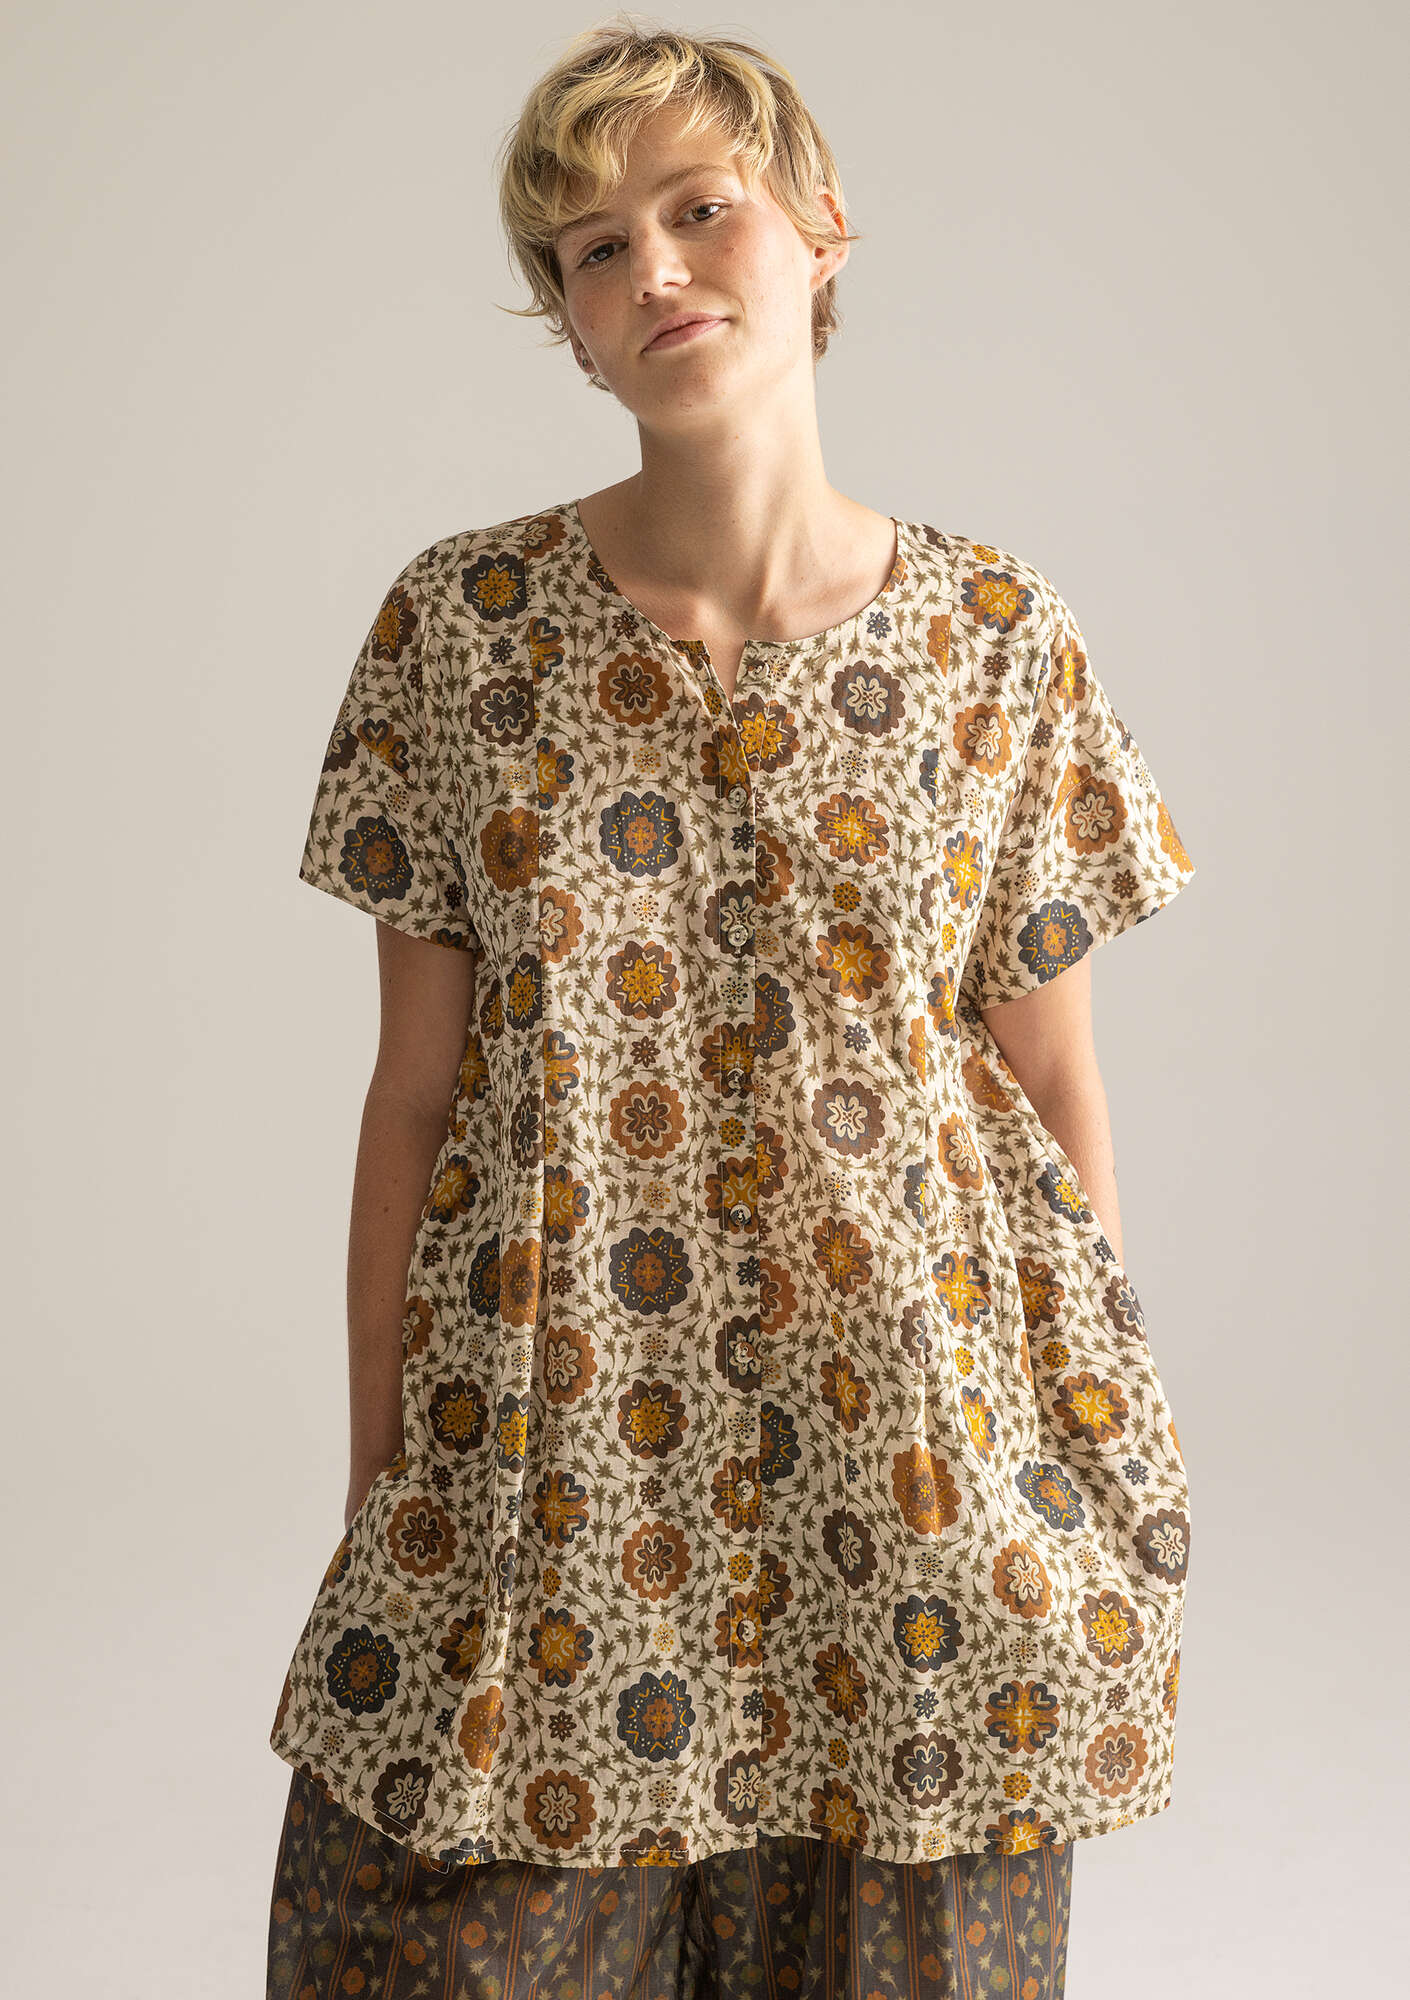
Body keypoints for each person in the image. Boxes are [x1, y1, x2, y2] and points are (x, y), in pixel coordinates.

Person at [265, 18, 1196, 1998]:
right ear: (571, 328)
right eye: (595, 250)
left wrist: (1089, 1449)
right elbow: (412, 1097)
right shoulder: (459, 631)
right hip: (556, 1468)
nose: (656, 269)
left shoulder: (996, 640)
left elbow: (1053, 1085)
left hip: (920, 1478)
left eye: (702, 210)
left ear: (822, 227)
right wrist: (387, 1488)